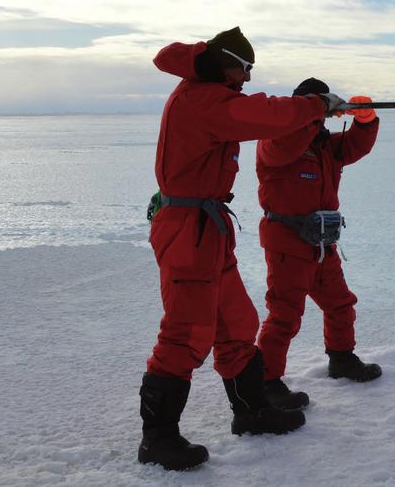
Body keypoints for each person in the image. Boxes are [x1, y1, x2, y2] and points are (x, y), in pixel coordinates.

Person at [138, 27, 345, 471]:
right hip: (188, 228)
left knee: (236, 322)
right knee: (186, 331)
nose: (248, 77)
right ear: (224, 62)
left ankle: (252, 412)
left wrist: (312, 111)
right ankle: (158, 438)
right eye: (245, 67)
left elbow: (255, 110)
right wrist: (315, 106)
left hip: (207, 226)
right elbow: (263, 116)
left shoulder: (211, 95)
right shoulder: (203, 99)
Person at [255, 77, 382, 407]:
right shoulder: (276, 137)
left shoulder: (324, 144)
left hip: (323, 242)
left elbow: (354, 147)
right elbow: (284, 149)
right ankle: (265, 382)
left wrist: (364, 120)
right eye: (316, 106)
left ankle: (342, 358)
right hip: (287, 243)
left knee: (340, 303)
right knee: (284, 314)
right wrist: (312, 117)